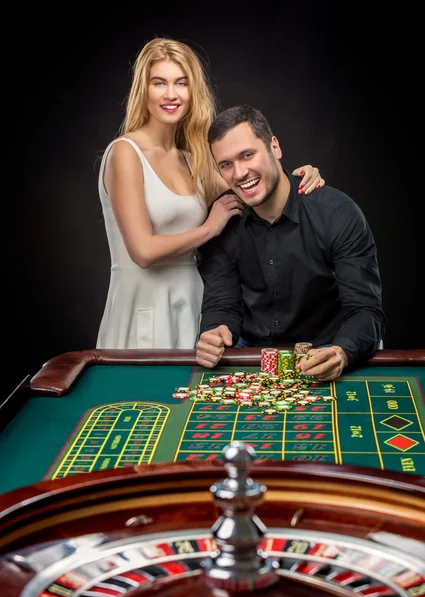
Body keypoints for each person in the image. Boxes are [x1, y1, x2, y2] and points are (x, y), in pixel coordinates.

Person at [96, 38, 325, 350]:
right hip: (144, 306)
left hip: (193, 301)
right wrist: (208, 228)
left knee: (189, 397)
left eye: (181, 83)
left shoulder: (193, 159)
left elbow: (251, 185)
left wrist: (299, 174)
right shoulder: (125, 152)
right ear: (143, 90)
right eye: (159, 82)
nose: (171, 94)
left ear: (193, 91)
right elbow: (143, 252)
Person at [196, 105, 386, 381]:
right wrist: (215, 331)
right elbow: (222, 305)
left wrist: (342, 352)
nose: (239, 173)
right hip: (251, 353)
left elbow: (366, 310)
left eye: (247, 155)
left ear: (274, 147)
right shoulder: (223, 218)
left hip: (326, 349)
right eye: (226, 164)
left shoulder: (337, 213)